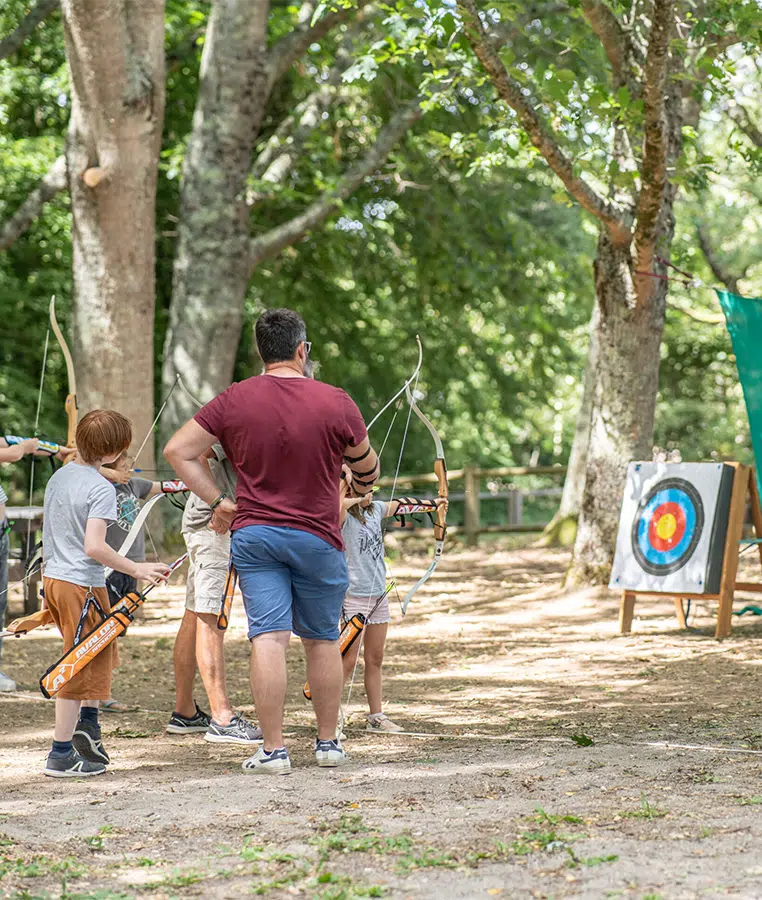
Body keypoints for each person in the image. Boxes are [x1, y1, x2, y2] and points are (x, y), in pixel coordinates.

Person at [164, 308, 379, 775]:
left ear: (262, 352)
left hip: (256, 535)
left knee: (269, 638)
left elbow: (178, 450)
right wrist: (355, 479)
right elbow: (368, 468)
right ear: (302, 350)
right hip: (319, 536)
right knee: (322, 639)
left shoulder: (235, 398)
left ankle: (274, 750)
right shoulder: (336, 401)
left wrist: (219, 500)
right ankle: (328, 744)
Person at [41, 410, 170, 777]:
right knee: (77, 664)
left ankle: (89, 726)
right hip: (79, 583)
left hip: (59, 580)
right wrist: (137, 569)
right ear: (114, 453)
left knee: (97, 655)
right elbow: (94, 546)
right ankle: (60, 754)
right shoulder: (100, 488)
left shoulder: (60, 476)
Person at [166, 444, 261, 744]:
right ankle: (222, 718)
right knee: (211, 616)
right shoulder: (236, 420)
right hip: (213, 526)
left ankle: (185, 712)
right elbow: (198, 452)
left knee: (195, 614)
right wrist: (218, 503)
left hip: (214, 523)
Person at [340, 479, 448, 734]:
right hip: (353, 597)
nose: (370, 493)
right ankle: (331, 716)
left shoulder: (376, 509)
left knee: (375, 658)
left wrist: (434, 504)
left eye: (372, 488)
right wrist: (357, 496)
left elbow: (400, 505)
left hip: (378, 595)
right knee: (347, 660)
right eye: (364, 487)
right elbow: (336, 506)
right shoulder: (342, 516)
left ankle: (376, 716)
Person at [0, 436, 73, 693]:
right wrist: (26, 448)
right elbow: (12, 452)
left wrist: (57, 450)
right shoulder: (14, 451)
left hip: (1, 532)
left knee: (0, 602)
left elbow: (9, 441)